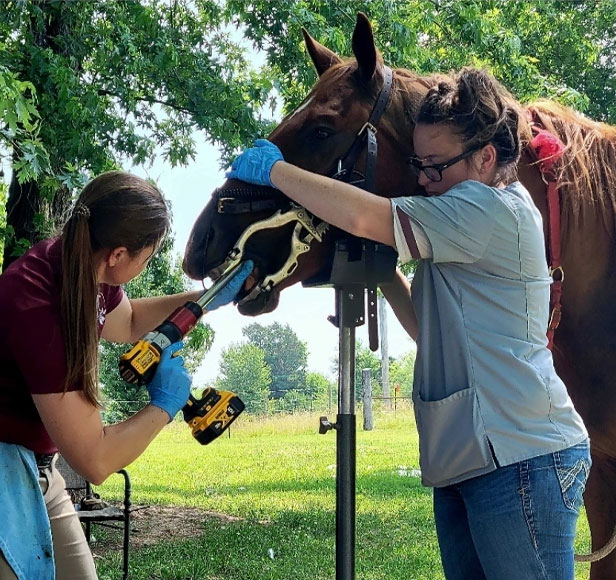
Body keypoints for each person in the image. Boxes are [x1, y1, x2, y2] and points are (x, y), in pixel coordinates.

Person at [227, 68, 590, 580]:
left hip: (521, 458)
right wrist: (387, 277)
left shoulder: (489, 209)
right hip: (473, 458)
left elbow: (363, 216)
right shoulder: (457, 223)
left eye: (435, 167)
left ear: (487, 159)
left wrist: (278, 172)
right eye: (418, 164)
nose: (423, 179)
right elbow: (430, 331)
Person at [0, 170, 251, 580]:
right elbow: (96, 459)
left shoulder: (81, 267)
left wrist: (207, 299)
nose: (145, 267)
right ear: (118, 255)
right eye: (147, 257)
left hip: (29, 466)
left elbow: (126, 323)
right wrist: (164, 406)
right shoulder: (38, 308)